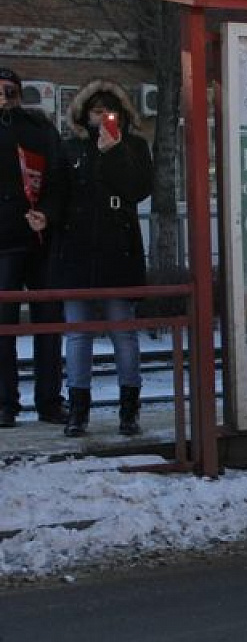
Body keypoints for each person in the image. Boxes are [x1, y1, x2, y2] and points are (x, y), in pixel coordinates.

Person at [34, 80, 153, 437]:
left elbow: (138, 189)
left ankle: (129, 410)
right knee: (78, 334)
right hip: (77, 251)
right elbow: (57, 193)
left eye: (110, 112)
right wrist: (45, 215)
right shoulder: (71, 148)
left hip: (118, 251)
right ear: (85, 115)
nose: (103, 118)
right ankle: (78, 410)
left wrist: (113, 152)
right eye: (97, 112)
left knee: (123, 332)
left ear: (122, 116)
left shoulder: (133, 146)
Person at [0, 66, 66, 428]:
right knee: (2, 327)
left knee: (48, 324)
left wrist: (48, 214)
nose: (3, 96)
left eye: (9, 90)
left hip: (40, 240)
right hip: (3, 242)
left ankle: (50, 402)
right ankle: (5, 404)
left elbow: (58, 177)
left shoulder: (39, 128)